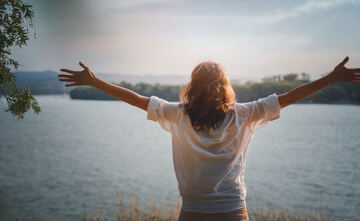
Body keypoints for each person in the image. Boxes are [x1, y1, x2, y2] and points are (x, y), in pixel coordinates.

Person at [59, 57, 359, 221]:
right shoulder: (244, 114)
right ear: (224, 88)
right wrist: (332, 78)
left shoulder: (177, 114)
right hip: (234, 211)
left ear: (192, 86)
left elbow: (137, 100)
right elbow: (291, 97)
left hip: (193, 213)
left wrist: (95, 81)